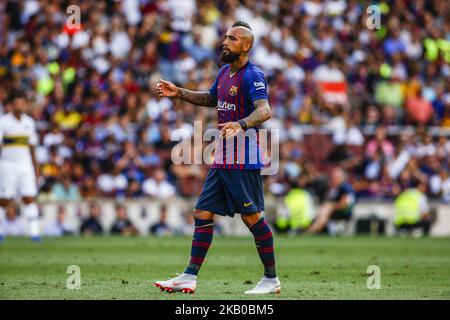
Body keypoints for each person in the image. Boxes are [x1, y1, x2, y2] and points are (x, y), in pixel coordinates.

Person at [154, 21, 280, 295]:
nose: (225, 42)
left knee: (252, 219)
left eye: (233, 39)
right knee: (202, 212)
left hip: (243, 158)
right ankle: (189, 276)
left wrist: (242, 124)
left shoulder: (253, 75)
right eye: (225, 37)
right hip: (223, 157)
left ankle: (271, 279)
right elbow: (212, 98)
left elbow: (264, 110)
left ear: (246, 46)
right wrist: (180, 93)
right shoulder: (224, 72)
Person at [0, 90, 41, 242]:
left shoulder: (29, 122)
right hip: (7, 164)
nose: (20, 105)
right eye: (17, 102)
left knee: (29, 197)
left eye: (22, 102)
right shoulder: (3, 122)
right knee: (4, 199)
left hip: (25, 165)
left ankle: (35, 233)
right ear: (11, 105)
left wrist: (36, 168)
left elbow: (32, 147)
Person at [307, 167, 355, 234]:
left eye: (335, 177)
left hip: (343, 213)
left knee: (326, 209)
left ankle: (310, 231)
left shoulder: (346, 188)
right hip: (330, 212)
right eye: (332, 177)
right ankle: (312, 229)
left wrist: (330, 206)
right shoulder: (331, 188)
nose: (333, 179)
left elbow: (344, 204)